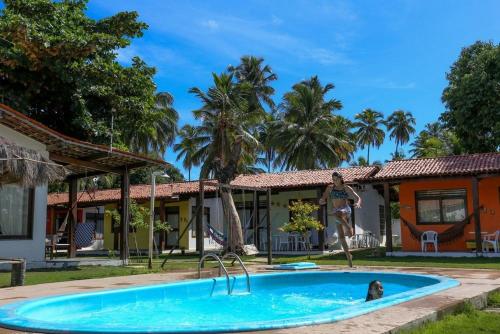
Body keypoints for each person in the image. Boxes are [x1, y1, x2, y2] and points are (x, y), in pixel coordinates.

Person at [319, 171, 362, 267]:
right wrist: (321, 201)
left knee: (337, 213)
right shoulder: (330, 188)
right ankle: (349, 257)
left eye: (336, 179)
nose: (335, 181)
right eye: (333, 179)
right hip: (336, 212)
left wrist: (358, 203)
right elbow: (323, 198)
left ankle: (349, 228)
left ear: (341, 178)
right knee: (341, 237)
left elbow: (357, 197)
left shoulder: (346, 187)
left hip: (345, 210)